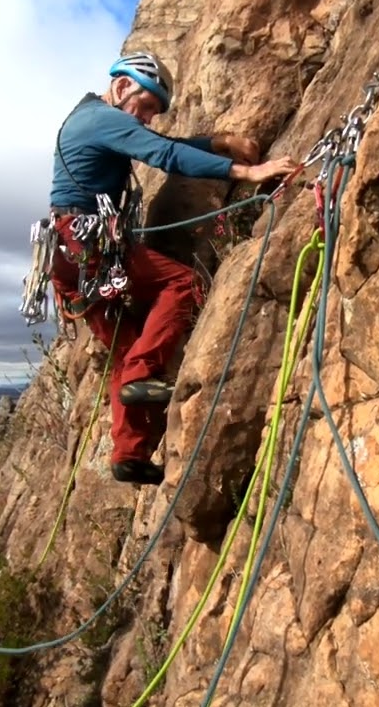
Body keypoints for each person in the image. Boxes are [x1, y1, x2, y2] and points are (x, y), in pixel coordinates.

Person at [48, 50, 298, 486]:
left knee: (125, 350)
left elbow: (160, 144)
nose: (145, 118)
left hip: (71, 257)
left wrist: (214, 144)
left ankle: (129, 454)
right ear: (122, 85)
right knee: (180, 282)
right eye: (144, 105)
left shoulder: (92, 118)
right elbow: (161, 153)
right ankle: (145, 375)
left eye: (153, 111)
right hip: (87, 242)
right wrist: (247, 171)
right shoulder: (100, 118)